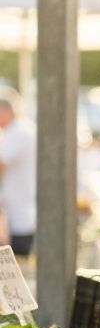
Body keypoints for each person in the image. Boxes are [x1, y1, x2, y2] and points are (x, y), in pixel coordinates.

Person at [0, 92, 37, 257]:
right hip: (18, 203)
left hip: (21, 206)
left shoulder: (18, 132)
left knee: (18, 256)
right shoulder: (17, 131)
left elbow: (1, 163)